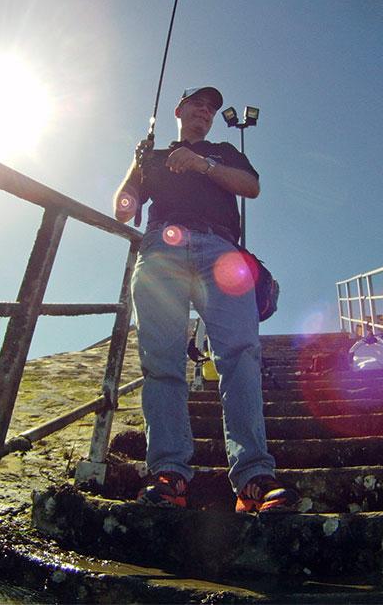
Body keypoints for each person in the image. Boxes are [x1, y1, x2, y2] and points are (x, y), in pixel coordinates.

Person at [113, 86, 300, 514]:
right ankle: (169, 473)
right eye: (197, 104)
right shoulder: (153, 158)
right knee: (161, 360)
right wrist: (135, 165)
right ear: (179, 110)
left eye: (211, 108)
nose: (205, 111)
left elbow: (250, 187)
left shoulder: (223, 151)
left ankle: (253, 476)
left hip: (221, 251)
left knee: (240, 354)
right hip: (162, 247)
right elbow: (124, 209)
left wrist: (201, 163)